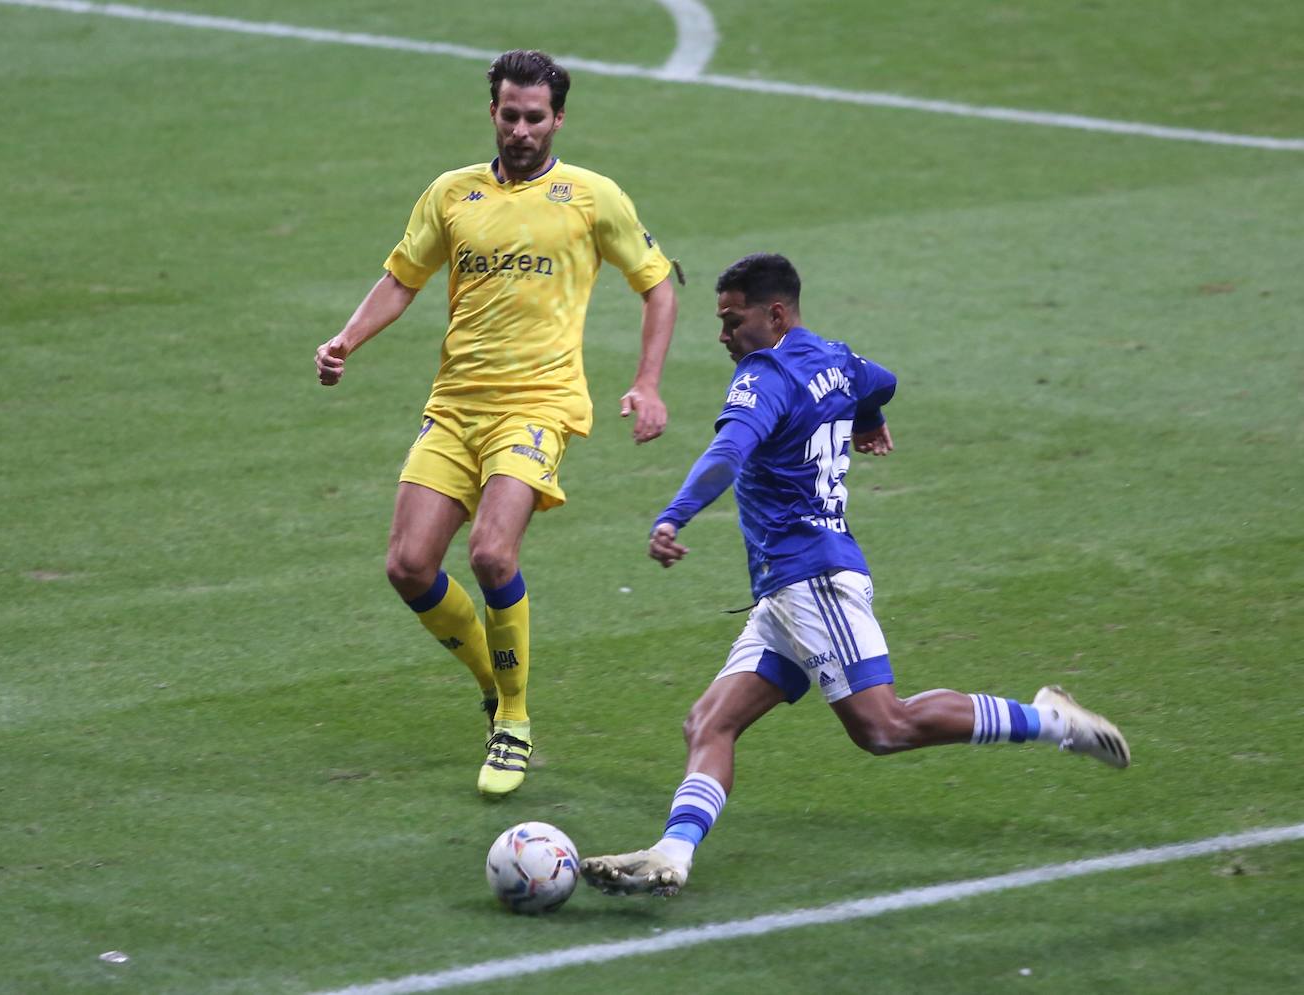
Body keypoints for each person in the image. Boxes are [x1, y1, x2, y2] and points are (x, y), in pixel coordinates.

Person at [580, 253, 1128, 897]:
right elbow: (881, 381)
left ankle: (1052, 720)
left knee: (884, 727)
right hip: (784, 594)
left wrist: (674, 516)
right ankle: (672, 854)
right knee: (710, 723)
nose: (724, 336)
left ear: (775, 314)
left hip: (812, 578)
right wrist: (867, 421)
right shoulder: (834, 357)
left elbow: (728, 451)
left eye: (733, 320)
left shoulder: (768, 374)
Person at [315, 50, 678, 797]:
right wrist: (347, 339)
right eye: (509, 115)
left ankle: (513, 720)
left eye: (535, 117)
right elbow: (401, 278)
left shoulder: (591, 197)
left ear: (559, 119)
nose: (520, 130)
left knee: (489, 554)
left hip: (539, 404)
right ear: (492, 112)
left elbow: (658, 284)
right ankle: (491, 679)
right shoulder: (453, 194)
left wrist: (646, 384)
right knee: (408, 566)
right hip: (454, 406)